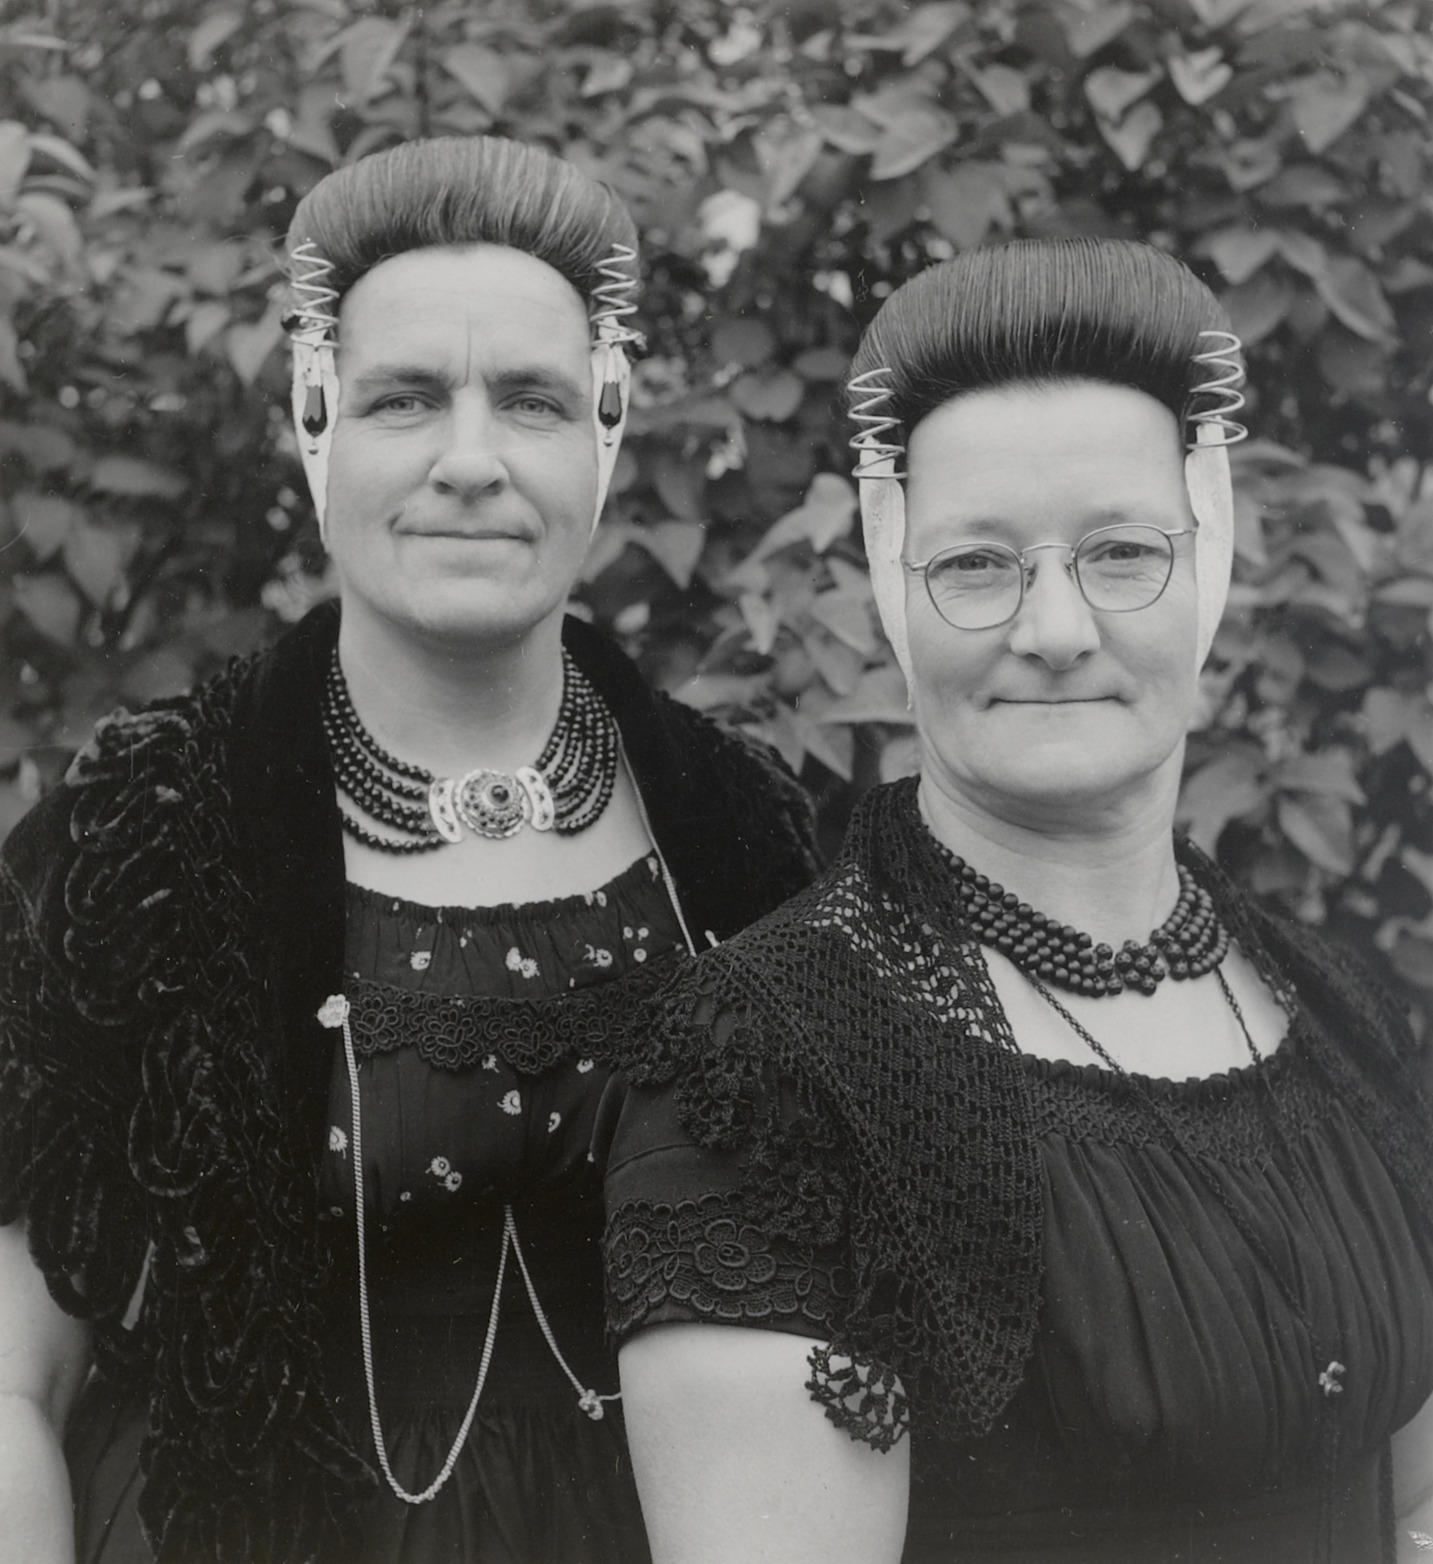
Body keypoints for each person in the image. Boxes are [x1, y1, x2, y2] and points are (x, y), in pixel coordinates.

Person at [0, 135, 818, 1564]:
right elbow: (14, 1380)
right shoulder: (143, 834)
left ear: (605, 431)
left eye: (531, 401)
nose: (470, 462)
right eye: (403, 399)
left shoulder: (744, 829)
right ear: (316, 423)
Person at [602, 237, 1433, 1563]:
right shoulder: (766, 1071)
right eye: (977, 565)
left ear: (1209, 566)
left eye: (1121, 552)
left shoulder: (1342, 1018)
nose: (1054, 630)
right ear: (896, 592)